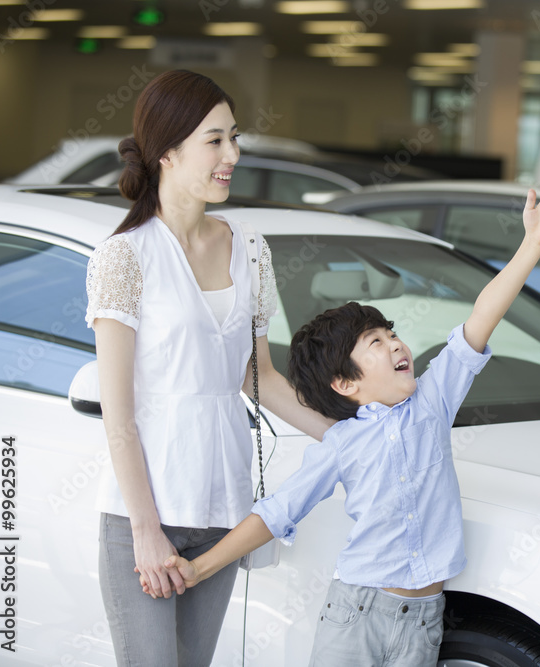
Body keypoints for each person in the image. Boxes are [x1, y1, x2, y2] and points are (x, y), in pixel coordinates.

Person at [153, 180, 540, 666]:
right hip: (356, 615)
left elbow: (482, 315)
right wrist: (200, 568)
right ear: (344, 383)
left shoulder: (433, 401)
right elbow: (276, 511)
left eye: (391, 333)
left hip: (423, 619)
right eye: (374, 342)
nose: (396, 344)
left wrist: (533, 242)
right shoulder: (341, 443)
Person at [85, 69, 336, 666]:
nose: (233, 154)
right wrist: (147, 533)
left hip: (224, 512)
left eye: (234, 138)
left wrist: (351, 435)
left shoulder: (249, 248)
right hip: (145, 518)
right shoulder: (125, 257)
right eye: (215, 140)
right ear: (168, 152)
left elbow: (263, 378)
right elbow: (118, 418)